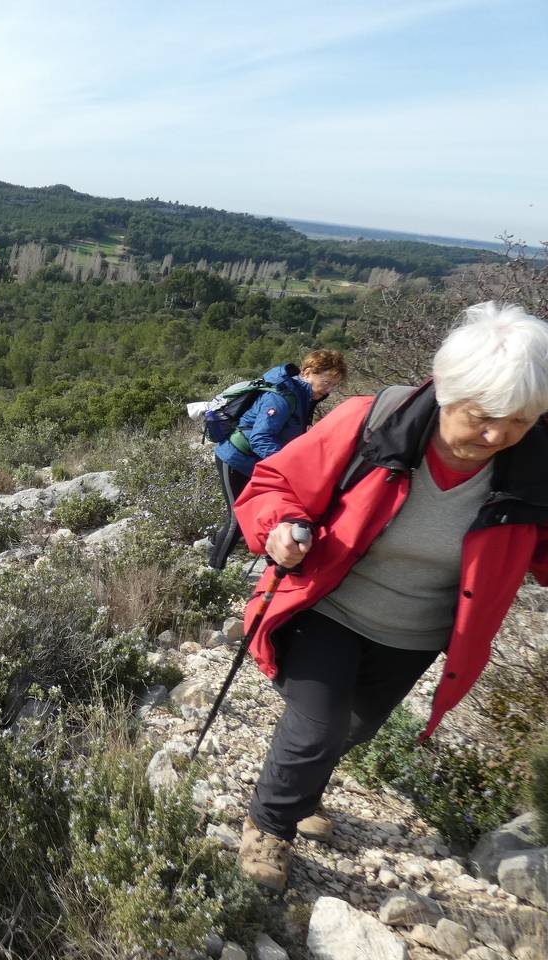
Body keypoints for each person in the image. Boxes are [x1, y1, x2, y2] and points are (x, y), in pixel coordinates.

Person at [231, 303, 548, 892]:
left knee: (355, 727)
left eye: (520, 422)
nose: (497, 436)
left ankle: (303, 791)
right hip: (327, 602)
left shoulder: (536, 467)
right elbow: (274, 482)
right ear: (447, 392)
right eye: (481, 417)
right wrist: (280, 526)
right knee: (317, 725)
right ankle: (269, 825)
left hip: (416, 632)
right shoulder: (374, 420)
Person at [207, 350, 347, 570]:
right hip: (234, 457)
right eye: (326, 382)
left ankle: (213, 542)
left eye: (333, 385)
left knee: (262, 514)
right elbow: (260, 438)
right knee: (240, 519)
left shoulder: (304, 397)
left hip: (256, 463)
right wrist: (289, 467)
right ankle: (212, 573)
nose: (328, 389)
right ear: (308, 372)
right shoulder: (282, 397)